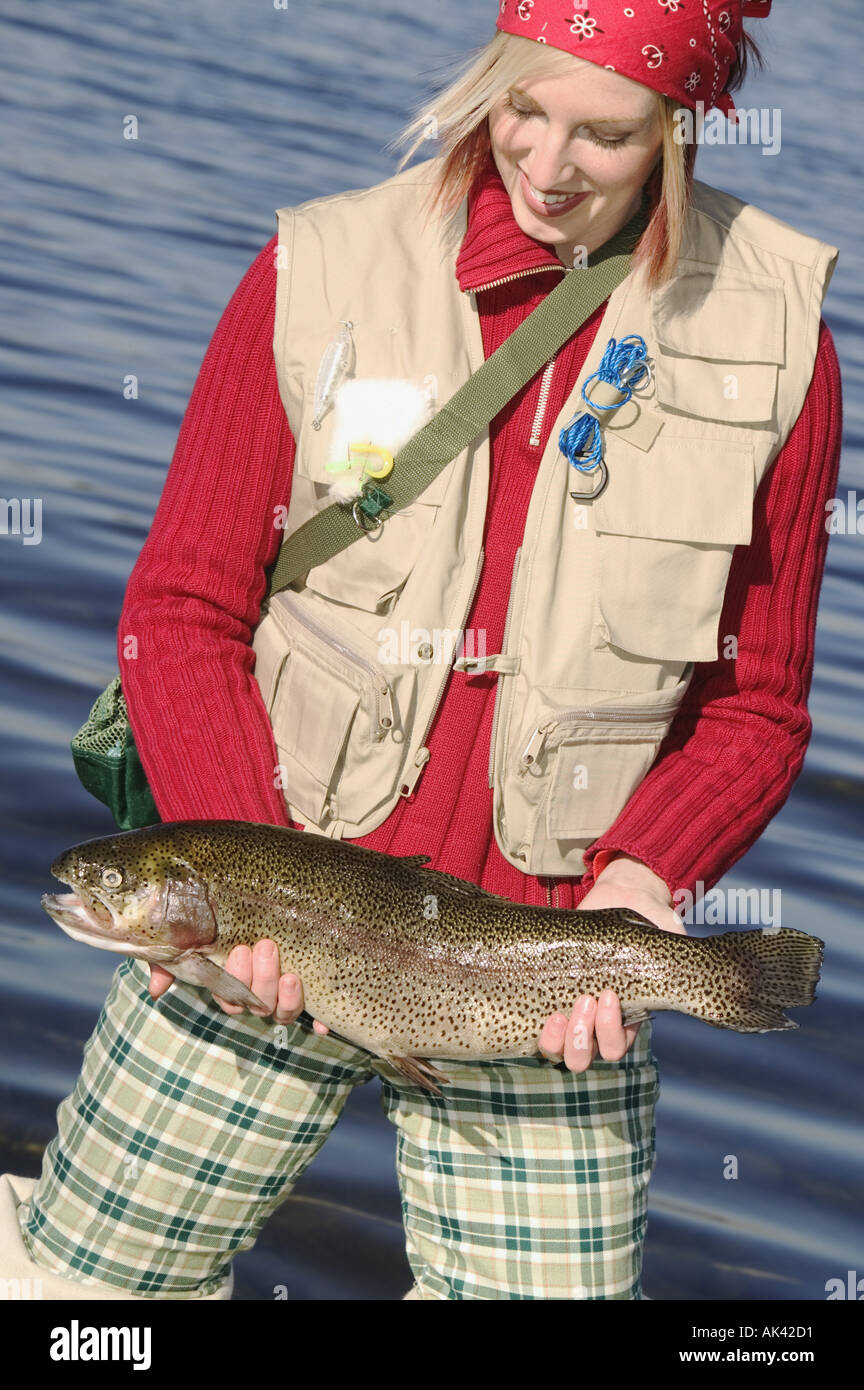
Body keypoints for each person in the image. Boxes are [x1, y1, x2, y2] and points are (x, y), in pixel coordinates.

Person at [3, 0, 841, 1301]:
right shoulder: (320, 268)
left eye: (605, 133)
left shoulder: (780, 335)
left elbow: (760, 710)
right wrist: (239, 879)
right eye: (521, 110)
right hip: (261, 927)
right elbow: (179, 609)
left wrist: (646, 873)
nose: (549, 164)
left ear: (683, 128)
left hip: (552, 967)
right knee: (84, 1310)